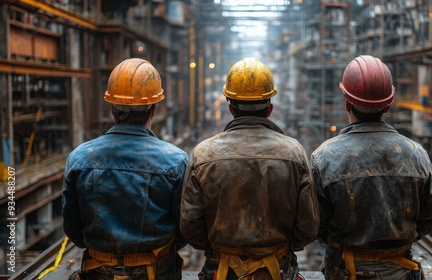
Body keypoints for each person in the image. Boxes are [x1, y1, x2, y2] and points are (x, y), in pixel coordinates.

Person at [180, 57, 320, 280]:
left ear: (231, 109)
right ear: (270, 108)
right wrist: (279, 248)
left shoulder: (203, 154)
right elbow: (309, 227)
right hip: (277, 271)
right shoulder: (294, 153)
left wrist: (218, 248)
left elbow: (189, 226)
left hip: (223, 271)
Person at [310, 55, 432, 280]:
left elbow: (316, 225)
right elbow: (426, 220)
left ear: (347, 103)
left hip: (345, 272)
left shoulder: (325, 157)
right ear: (388, 105)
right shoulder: (417, 155)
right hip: (400, 271)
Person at [62, 58, 189, 280]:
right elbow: (185, 227)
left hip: (97, 272)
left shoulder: (79, 158)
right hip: (157, 271)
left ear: (111, 107)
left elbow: (72, 227)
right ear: (154, 109)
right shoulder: (176, 161)